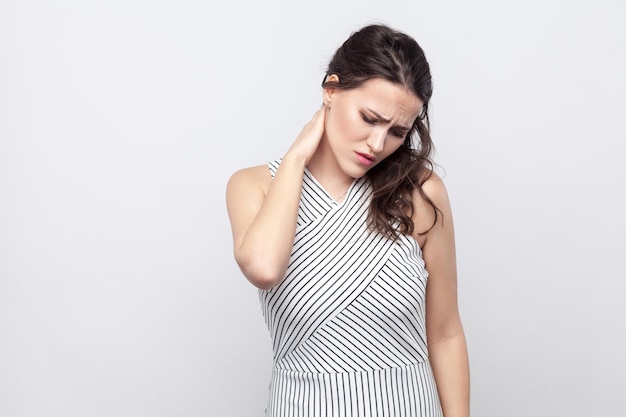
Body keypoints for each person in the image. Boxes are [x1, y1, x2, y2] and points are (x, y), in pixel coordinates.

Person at [226, 23, 469, 417]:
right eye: (369, 118)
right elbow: (264, 267)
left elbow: (445, 333)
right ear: (331, 90)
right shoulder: (254, 186)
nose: (377, 145)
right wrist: (296, 159)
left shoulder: (420, 193)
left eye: (396, 132)